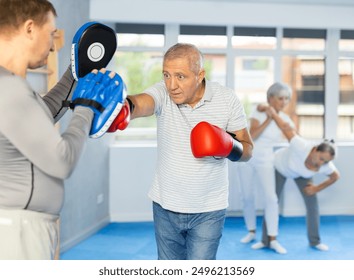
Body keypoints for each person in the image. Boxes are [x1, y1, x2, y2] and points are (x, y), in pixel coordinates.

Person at [0, 0, 123, 259]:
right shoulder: (8, 90)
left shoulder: (8, 85)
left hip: (20, 226)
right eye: (52, 34)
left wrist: (76, 73)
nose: (54, 44)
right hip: (17, 232)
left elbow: (41, 115)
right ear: (30, 28)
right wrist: (87, 107)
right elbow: (62, 160)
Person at [109, 43, 253, 260]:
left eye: (180, 76)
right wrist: (124, 107)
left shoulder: (226, 99)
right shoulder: (163, 92)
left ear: (200, 74)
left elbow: (248, 149)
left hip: (209, 209)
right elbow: (142, 103)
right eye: (166, 75)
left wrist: (227, 146)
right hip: (166, 206)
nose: (171, 85)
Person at [252, 108, 340, 252]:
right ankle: (266, 241)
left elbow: (336, 176)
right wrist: (273, 114)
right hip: (280, 167)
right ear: (315, 149)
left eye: (325, 161)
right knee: (272, 201)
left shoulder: (325, 165)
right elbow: (286, 128)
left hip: (302, 175)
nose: (321, 163)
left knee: (313, 206)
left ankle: (315, 241)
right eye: (321, 158)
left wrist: (316, 188)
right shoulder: (301, 146)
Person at [237, 82, 294, 254]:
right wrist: (269, 118)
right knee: (247, 196)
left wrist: (274, 116)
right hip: (247, 157)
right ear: (270, 98)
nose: (283, 102)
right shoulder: (258, 112)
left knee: (271, 198)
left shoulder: (285, 119)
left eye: (286, 99)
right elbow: (252, 136)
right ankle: (251, 231)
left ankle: (273, 238)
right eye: (280, 98)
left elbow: (291, 135)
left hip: (266, 160)